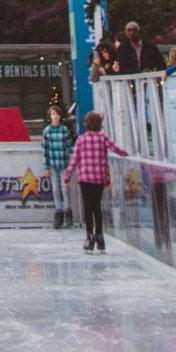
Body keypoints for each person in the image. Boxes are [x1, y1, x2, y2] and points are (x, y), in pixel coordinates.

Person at [64, 111, 127, 253]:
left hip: (85, 178)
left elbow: (74, 160)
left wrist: (67, 176)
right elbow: (115, 149)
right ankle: (100, 236)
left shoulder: (81, 139)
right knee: (97, 207)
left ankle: (89, 237)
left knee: (88, 207)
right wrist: (124, 153)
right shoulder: (103, 137)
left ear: (87, 125)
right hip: (99, 178)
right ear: (99, 125)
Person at [41, 102, 73, 229]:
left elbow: (69, 146)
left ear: (60, 116)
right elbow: (45, 150)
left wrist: (70, 160)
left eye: (56, 114)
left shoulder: (64, 130)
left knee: (65, 188)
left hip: (63, 162)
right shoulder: (47, 131)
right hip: (53, 163)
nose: (54, 116)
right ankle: (58, 212)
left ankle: (68, 211)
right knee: (55, 189)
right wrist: (46, 167)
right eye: (53, 114)